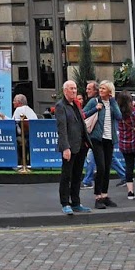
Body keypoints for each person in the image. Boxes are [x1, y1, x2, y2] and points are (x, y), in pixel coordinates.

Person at [53, 80, 89, 215]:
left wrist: (86, 142)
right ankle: (65, 203)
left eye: (75, 88)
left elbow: (81, 124)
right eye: (71, 89)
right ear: (65, 91)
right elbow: (62, 129)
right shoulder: (60, 106)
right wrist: (65, 148)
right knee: (66, 175)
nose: (74, 91)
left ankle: (76, 202)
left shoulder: (76, 104)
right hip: (69, 146)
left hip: (80, 145)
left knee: (77, 175)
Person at [84, 81, 120, 209]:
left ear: (109, 91)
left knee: (107, 168)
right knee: (101, 167)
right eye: (100, 88)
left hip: (109, 139)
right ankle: (97, 197)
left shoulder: (112, 103)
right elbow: (83, 114)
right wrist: (96, 109)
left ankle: (105, 195)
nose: (100, 90)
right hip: (97, 138)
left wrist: (113, 102)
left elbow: (119, 116)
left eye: (103, 89)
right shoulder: (94, 101)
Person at [12, 93, 38, 171]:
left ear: (19, 103)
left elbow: (12, 123)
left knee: (13, 140)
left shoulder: (19, 110)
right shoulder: (30, 110)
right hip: (33, 138)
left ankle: (17, 163)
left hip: (25, 137)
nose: (13, 102)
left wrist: (3, 118)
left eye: (14, 101)